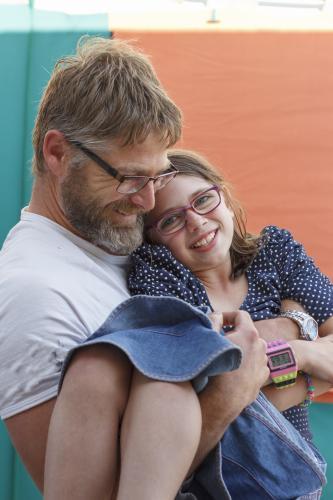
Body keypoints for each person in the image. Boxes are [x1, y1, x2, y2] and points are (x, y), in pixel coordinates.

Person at [0, 37, 269, 500]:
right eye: (128, 178)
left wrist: (294, 335)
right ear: (57, 154)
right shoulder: (34, 295)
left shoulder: (123, 238)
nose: (148, 201)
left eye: (157, 176)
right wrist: (229, 396)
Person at [128, 148, 333, 496]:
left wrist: (299, 352)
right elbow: (221, 410)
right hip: (219, 486)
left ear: (223, 195)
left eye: (203, 200)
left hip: (294, 481)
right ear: (153, 239)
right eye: (171, 220)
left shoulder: (275, 253)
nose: (196, 221)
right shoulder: (161, 283)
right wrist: (310, 358)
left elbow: (240, 391)